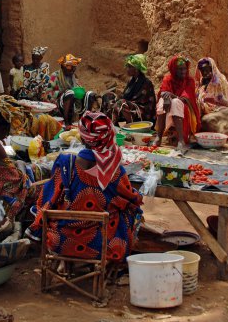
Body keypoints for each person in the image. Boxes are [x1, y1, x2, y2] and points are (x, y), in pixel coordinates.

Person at [27, 112, 143, 263]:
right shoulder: (115, 171)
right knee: (131, 210)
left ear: (82, 138)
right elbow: (132, 199)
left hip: (61, 241)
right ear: (108, 138)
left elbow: (48, 200)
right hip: (103, 245)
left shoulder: (65, 163)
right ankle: (119, 256)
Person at [151, 55, 201, 151]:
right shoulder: (168, 78)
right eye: (179, 69)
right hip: (169, 106)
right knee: (162, 102)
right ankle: (159, 136)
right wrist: (166, 97)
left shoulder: (189, 80)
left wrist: (171, 96)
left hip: (186, 109)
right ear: (174, 70)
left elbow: (185, 98)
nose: (183, 71)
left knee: (176, 102)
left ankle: (181, 140)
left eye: (184, 69)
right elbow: (163, 92)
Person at [102, 54, 156, 125]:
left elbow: (140, 102)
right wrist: (115, 99)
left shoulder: (146, 83)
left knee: (121, 103)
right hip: (129, 107)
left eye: (129, 67)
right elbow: (125, 96)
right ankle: (105, 123)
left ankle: (124, 126)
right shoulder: (131, 81)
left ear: (136, 69)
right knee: (107, 96)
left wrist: (120, 101)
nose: (127, 69)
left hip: (142, 113)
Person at [48, 53, 95, 126]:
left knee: (89, 94)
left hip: (74, 102)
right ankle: (67, 122)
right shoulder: (55, 76)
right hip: (59, 103)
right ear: (62, 67)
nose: (72, 70)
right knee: (69, 93)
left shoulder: (74, 76)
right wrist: (62, 92)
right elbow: (48, 93)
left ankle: (84, 122)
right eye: (70, 67)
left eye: (74, 67)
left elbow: (78, 88)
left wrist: (81, 92)